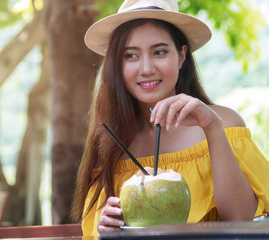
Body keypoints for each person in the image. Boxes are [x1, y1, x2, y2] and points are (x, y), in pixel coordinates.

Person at [70, 0, 269, 237]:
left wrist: (212, 128)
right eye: (131, 55)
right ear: (117, 64)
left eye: (159, 52)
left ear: (181, 56)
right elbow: (93, 233)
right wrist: (107, 226)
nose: (146, 68)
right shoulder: (111, 145)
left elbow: (241, 219)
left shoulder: (223, 123)